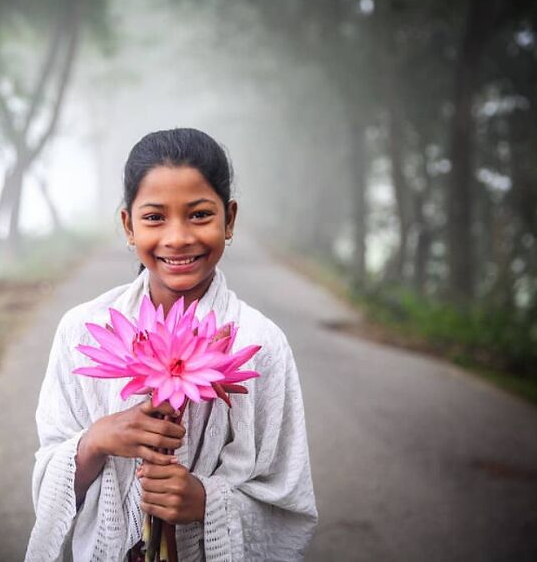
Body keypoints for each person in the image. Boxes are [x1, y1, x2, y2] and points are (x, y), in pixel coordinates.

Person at [26, 128, 318, 561]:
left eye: (199, 214)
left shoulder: (260, 343)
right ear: (128, 225)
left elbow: (290, 505)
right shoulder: (82, 331)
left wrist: (205, 503)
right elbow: (48, 476)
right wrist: (95, 440)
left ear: (230, 219)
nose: (177, 238)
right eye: (154, 217)